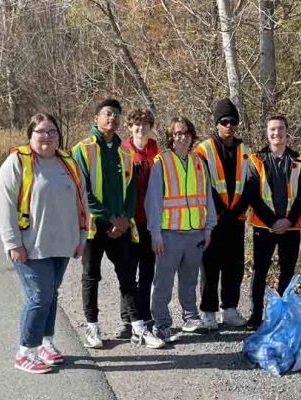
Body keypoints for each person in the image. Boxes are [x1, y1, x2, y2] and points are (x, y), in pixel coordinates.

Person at [0, 113, 87, 373]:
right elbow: (3, 206)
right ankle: (26, 351)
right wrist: (13, 243)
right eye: (41, 131)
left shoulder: (68, 162)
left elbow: (82, 201)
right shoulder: (18, 162)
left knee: (50, 295)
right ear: (30, 135)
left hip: (62, 244)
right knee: (39, 295)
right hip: (30, 246)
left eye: (52, 131)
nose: (47, 136)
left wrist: (81, 236)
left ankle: (46, 342)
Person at [72, 98, 164, 349]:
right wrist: (109, 217)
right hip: (94, 226)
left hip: (121, 226)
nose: (112, 118)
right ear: (96, 118)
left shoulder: (125, 152)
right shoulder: (83, 149)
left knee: (127, 276)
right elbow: (81, 190)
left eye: (116, 115)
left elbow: (132, 187)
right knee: (91, 276)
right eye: (107, 114)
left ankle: (139, 328)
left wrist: (123, 218)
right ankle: (92, 327)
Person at [146, 116, 217, 342]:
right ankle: (162, 323)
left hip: (195, 233)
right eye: (177, 133)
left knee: (189, 280)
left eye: (186, 133)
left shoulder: (198, 161)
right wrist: (155, 232)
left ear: (191, 135)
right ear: (170, 137)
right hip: (169, 233)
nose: (182, 137)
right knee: (163, 282)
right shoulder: (162, 162)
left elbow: (207, 197)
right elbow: (153, 200)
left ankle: (190, 317)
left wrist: (208, 228)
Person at [246, 115, 301, 330]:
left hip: (291, 226)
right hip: (264, 226)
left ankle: (282, 314)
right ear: (267, 133)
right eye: (272, 129)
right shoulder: (255, 159)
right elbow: (252, 194)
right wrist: (273, 221)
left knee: (287, 271)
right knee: (260, 271)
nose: (276, 133)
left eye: (280, 129)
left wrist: (288, 220)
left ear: (287, 132)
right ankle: (255, 316)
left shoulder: (298, 161)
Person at [194, 98, 251, 329]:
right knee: (209, 266)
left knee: (234, 266)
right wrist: (219, 210)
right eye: (225, 121)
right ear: (217, 124)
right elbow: (202, 183)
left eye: (233, 122)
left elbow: (251, 184)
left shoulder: (245, 151)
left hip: (236, 218)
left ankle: (230, 309)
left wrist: (237, 209)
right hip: (213, 218)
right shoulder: (203, 149)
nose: (229, 126)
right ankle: (208, 311)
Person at [114, 108, 160, 339]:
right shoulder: (122, 151)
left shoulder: (158, 151)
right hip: (129, 222)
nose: (140, 128)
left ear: (151, 126)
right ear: (130, 127)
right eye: (136, 125)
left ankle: (143, 316)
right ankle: (127, 319)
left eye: (145, 124)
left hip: (151, 222)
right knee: (128, 272)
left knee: (147, 272)